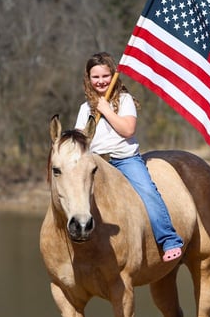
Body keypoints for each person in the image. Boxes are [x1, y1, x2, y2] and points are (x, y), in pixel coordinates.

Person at [75, 51, 183, 262]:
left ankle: (169, 239)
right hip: (96, 161)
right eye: (95, 77)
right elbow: (81, 139)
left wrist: (106, 110)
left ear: (113, 75)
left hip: (124, 160)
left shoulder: (124, 100)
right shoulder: (85, 108)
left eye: (105, 76)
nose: (101, 81)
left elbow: (128, 130)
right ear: (88, 78)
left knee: (148, 192)